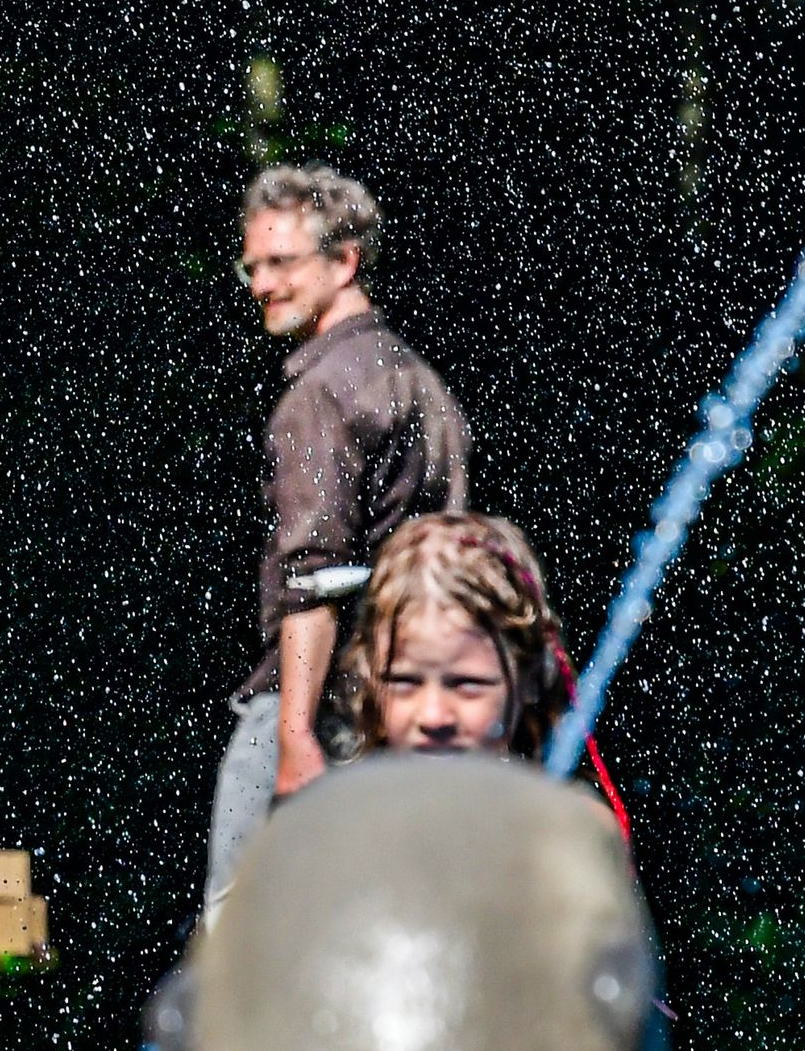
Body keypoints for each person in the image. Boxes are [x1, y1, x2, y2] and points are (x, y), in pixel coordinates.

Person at [208, 159, 470, 920]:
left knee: (238, 942)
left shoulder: (319, 394)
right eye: (252, 264)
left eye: (282, 262)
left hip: (317, 707)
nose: (261, 284)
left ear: (344, 260)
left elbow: (314, 581)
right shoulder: (420, 381)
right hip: (403, 706)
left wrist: (293, 737)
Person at [314, 509, 564, 766]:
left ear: (533, 675)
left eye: (467, 685)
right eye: (404, 682)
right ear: (367, 674)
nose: (433, 717)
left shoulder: (557, 807)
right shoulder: (344, 804)